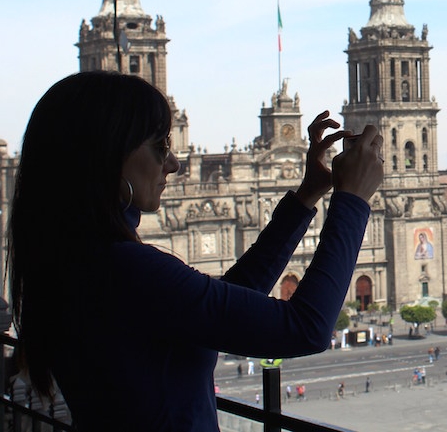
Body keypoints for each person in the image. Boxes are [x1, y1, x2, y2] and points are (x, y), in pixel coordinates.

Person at [7, 71, 384, 432]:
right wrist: (351, 201)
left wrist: (307, 195)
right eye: (160, 148)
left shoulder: (74, 257)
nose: (172, 163)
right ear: (107, 156)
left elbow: (225, 303)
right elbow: (307, 328)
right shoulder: (125, 268)